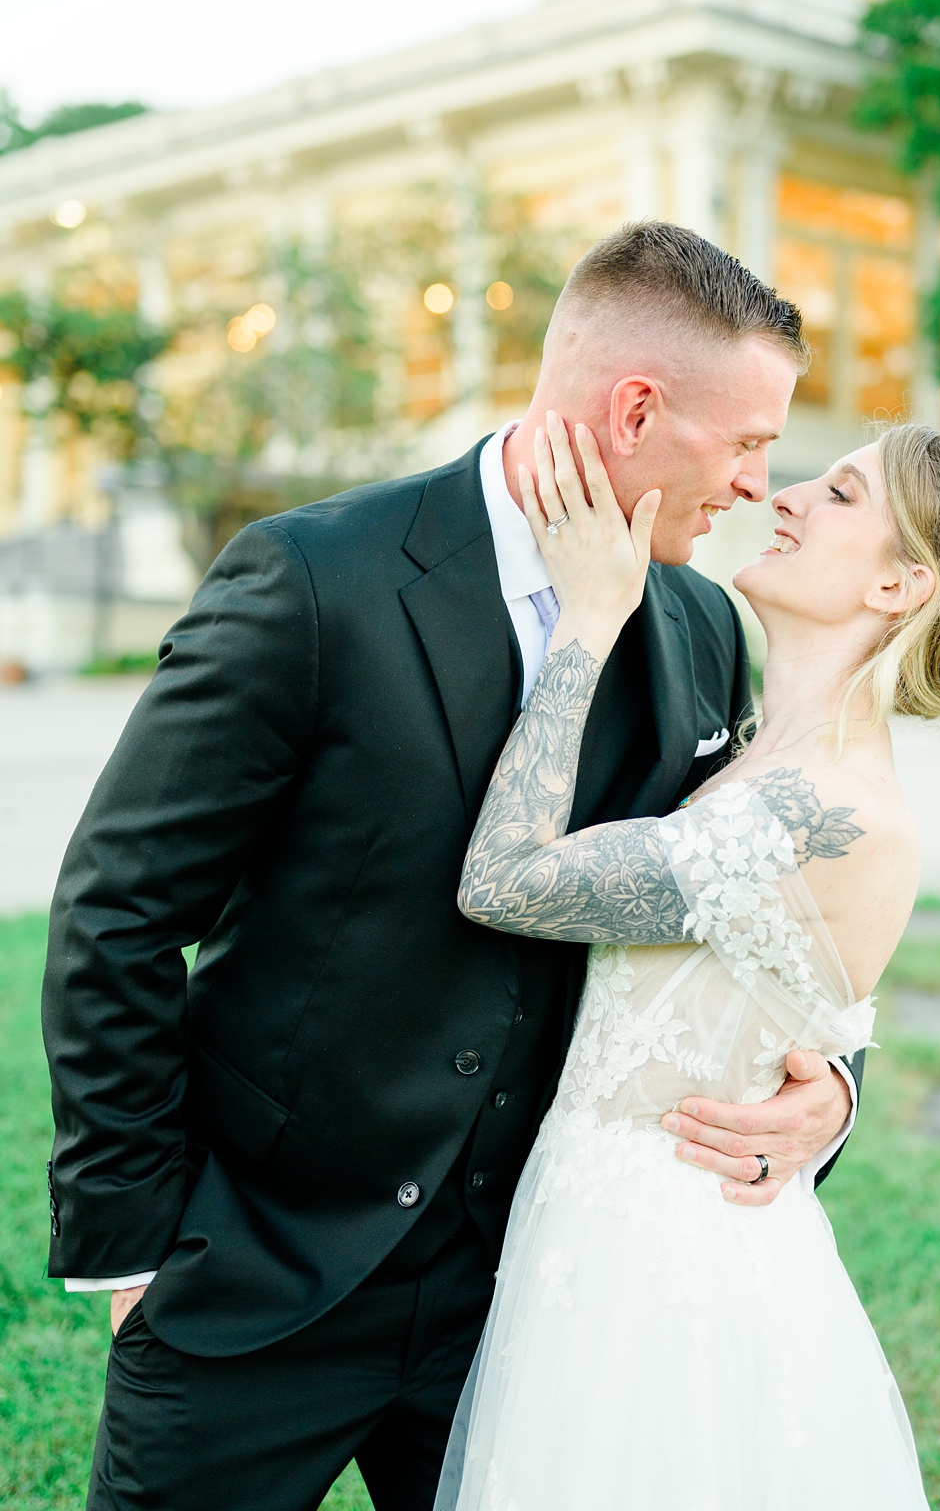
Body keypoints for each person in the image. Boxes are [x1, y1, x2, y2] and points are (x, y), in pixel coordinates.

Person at [47, 223, 860, 1510]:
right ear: (637, 408)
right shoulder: (314, 579)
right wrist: (131, 1240)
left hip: (536, 1291)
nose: (762, 484)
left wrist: (836, 1091)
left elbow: (754, 898)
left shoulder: (704, 622)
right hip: (263, 1266)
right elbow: (120, 910)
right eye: (750, 439)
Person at [435, 411, 940, 1507]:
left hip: (666, 1258)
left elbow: (503, 882)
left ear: (899, 586)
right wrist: (833, 1091)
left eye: (839, 495)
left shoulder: (822, 807)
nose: (784, 496)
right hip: (605, 1220)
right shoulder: (767, 755)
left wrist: (588, 621)